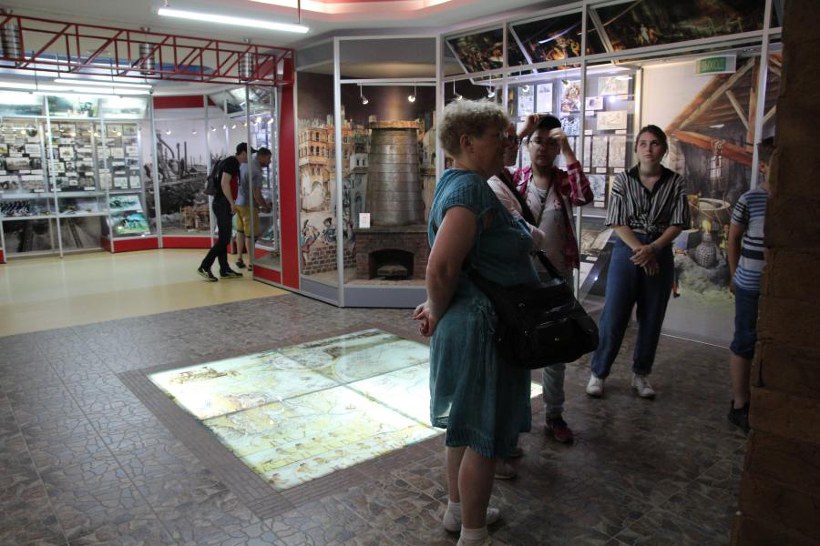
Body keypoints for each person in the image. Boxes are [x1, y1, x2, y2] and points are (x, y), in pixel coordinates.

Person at [413, 99, 536, 546]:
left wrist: (437, 305)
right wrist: (436, 305)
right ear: (467, 142)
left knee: (463, 428)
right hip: (482, 330)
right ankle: (474, 532)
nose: (507, 143)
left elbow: (453, 269)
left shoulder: (458, 181)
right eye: (497, 136)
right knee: (484, 435)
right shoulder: (470, 191)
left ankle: (457, 511)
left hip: (472, 322)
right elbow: (442, 266)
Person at [487, 114, 593, 448]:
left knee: (557, 346)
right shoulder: (516, 179)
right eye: (538, 142)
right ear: (527, 146)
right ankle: (516, 421)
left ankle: (554, 414)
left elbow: (585, 195)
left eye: (551, 143)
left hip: (557, 276)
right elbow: (493, 166)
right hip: (522, 276)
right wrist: (520, 132)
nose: (543, 149)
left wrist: (569, 150)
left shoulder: (563, 181)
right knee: (520, 346)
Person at [586, 125, 690, 399]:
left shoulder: (675, 182)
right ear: (636, 149)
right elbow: (617, 221)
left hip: (660, 249)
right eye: (643, 143)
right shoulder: (623, 180)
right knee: (614, 314)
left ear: (663, 149)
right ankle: (598, 372)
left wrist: (653, 248)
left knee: (652, 316)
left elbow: (678, 222)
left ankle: (641, 374)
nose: (648, 148)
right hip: (628, 248)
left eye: (655, 143)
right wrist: (641, 251)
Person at [726, 137, 774, 433]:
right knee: (744, 339)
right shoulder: (751, 198)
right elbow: (734, 237)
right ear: (765, 165)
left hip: (780, 290)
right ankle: (740, 403)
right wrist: (734, 275)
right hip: (750, 283)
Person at [197, 143, 253, 281]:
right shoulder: (232, 162)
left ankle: (224, 269)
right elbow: (224, 183)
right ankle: (204, 266)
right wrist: (231, 203)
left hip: (221, 203)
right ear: (243, 153)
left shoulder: (229, 162)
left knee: (224, 237)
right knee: (224, 239)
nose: (250, 157)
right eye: (249, 153)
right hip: (223, 203)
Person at [235, 147, 273, 271]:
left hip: (238, 203)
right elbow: (257, 194)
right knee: (250, 235)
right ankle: (252, 263)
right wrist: (265, 206)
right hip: (248, 206)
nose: (269, 162)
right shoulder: (256, 171)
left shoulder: (244, 164)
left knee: (240, 231)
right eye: (268, 159)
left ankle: (239, 258)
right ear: (261, 156)